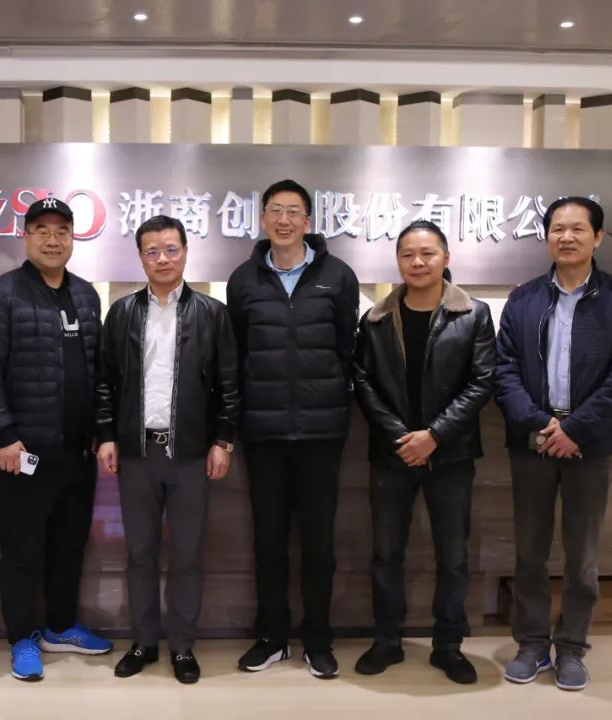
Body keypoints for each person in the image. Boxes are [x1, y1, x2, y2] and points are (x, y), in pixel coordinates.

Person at [495, 196, 612, 692]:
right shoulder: (523, 299)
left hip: (592, 445)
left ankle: (574, 648)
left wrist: (576, 429)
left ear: (597, 237)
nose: (566, 237)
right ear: (546, 237)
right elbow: (504, 370)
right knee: (530, 552)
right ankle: (532, 643)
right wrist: (541, 424)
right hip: (533, 442)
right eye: (557, 228)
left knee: (582, 556)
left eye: (578, 228)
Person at [0, 197, 112, 682]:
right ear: (26, 237)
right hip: (24, 453)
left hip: (77, 452)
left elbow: (98, 372)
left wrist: (101, 431)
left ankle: (61, 626)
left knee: (69, 546)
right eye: (42, 231)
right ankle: (22, 638)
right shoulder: (2, 294)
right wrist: (4, 435)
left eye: (62, 231)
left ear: (72, 238)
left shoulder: (86, 296)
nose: (53, 240)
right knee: (22, 551)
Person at [96, 215, 240, 684]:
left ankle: (182, 646)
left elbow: (229, 385)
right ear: (141, 257)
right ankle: (143, 642)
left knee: (187, 555)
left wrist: (222, 441)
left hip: (191, 454)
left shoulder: (212, 313)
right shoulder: (122, 313)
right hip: (136, 453)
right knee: (139, 553)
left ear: (185, 252)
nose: (162, 258)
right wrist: (106, 436)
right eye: (152, 251)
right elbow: (104, 383)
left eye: (171, 249)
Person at [352, 220, 495, 684]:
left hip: (450, 455)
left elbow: (482, 381)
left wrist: (434, 435)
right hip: (391, 455)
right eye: (408, 255)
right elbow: (363, 381)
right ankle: (387, 641)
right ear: (398, 261)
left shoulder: (473, 314)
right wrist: (401, 436)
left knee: (452, 554)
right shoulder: (376, 319)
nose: (417, 262)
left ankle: (448, 645)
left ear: (446, 259)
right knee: (385, 554)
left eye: (428, 253)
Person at [226, 179, 359, 678]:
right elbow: (236, 355)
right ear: (262, 219)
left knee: (319, 546)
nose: (283, 220)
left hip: (322, 434)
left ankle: (317, 640)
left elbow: (346, 350)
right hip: (263, 433)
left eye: (293, 212)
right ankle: (272, 638)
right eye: (275, 211)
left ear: (308, 221)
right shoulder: (243, 280)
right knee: (268, 542)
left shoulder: (338, 276)